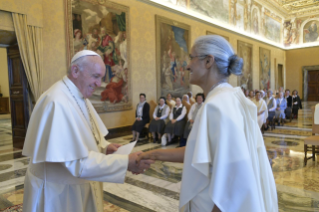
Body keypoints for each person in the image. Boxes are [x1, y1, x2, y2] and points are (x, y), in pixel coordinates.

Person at [137, 35, 277, 212]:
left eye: (191, 57)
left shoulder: (216, 106)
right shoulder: (227, 98)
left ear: (208, 61)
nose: (187, 65)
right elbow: (202, 152)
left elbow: (234, 178)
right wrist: (155, 154)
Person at [22, 50, 153, 212]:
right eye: (95, 76)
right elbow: (76, 163)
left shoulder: (78, 95)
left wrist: (104, 146)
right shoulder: (57, 102)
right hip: (58, 192)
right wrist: (125, 162)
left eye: (101, 78)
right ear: (76, 71)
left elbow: (87, 132)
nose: (99, 84)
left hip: (76, 186)